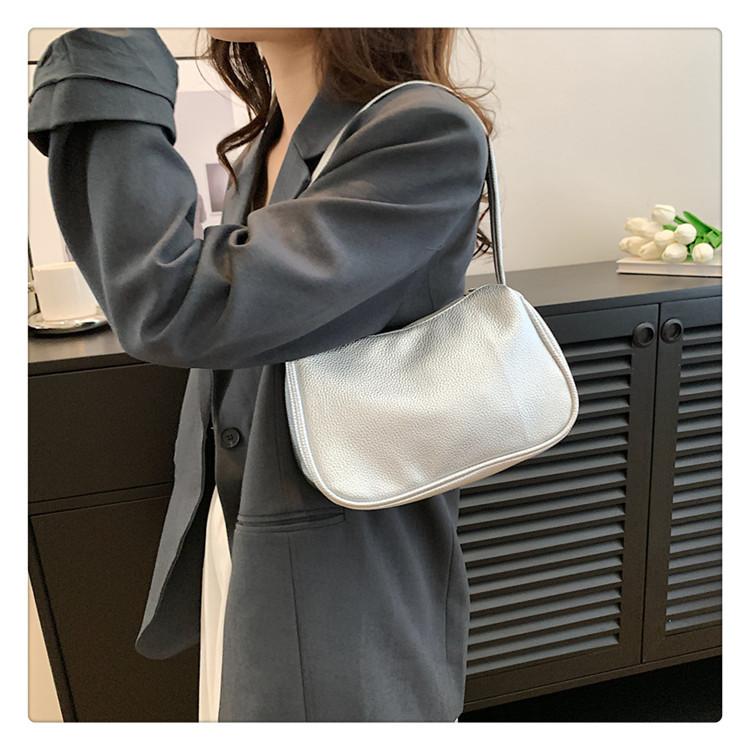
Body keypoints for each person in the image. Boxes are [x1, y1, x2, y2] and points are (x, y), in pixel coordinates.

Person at [28, 27, 494, 722]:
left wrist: (111, 45)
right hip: (240, 533)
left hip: (347, 567)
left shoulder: (424, 129)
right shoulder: (270, 141)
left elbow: (175, 303)